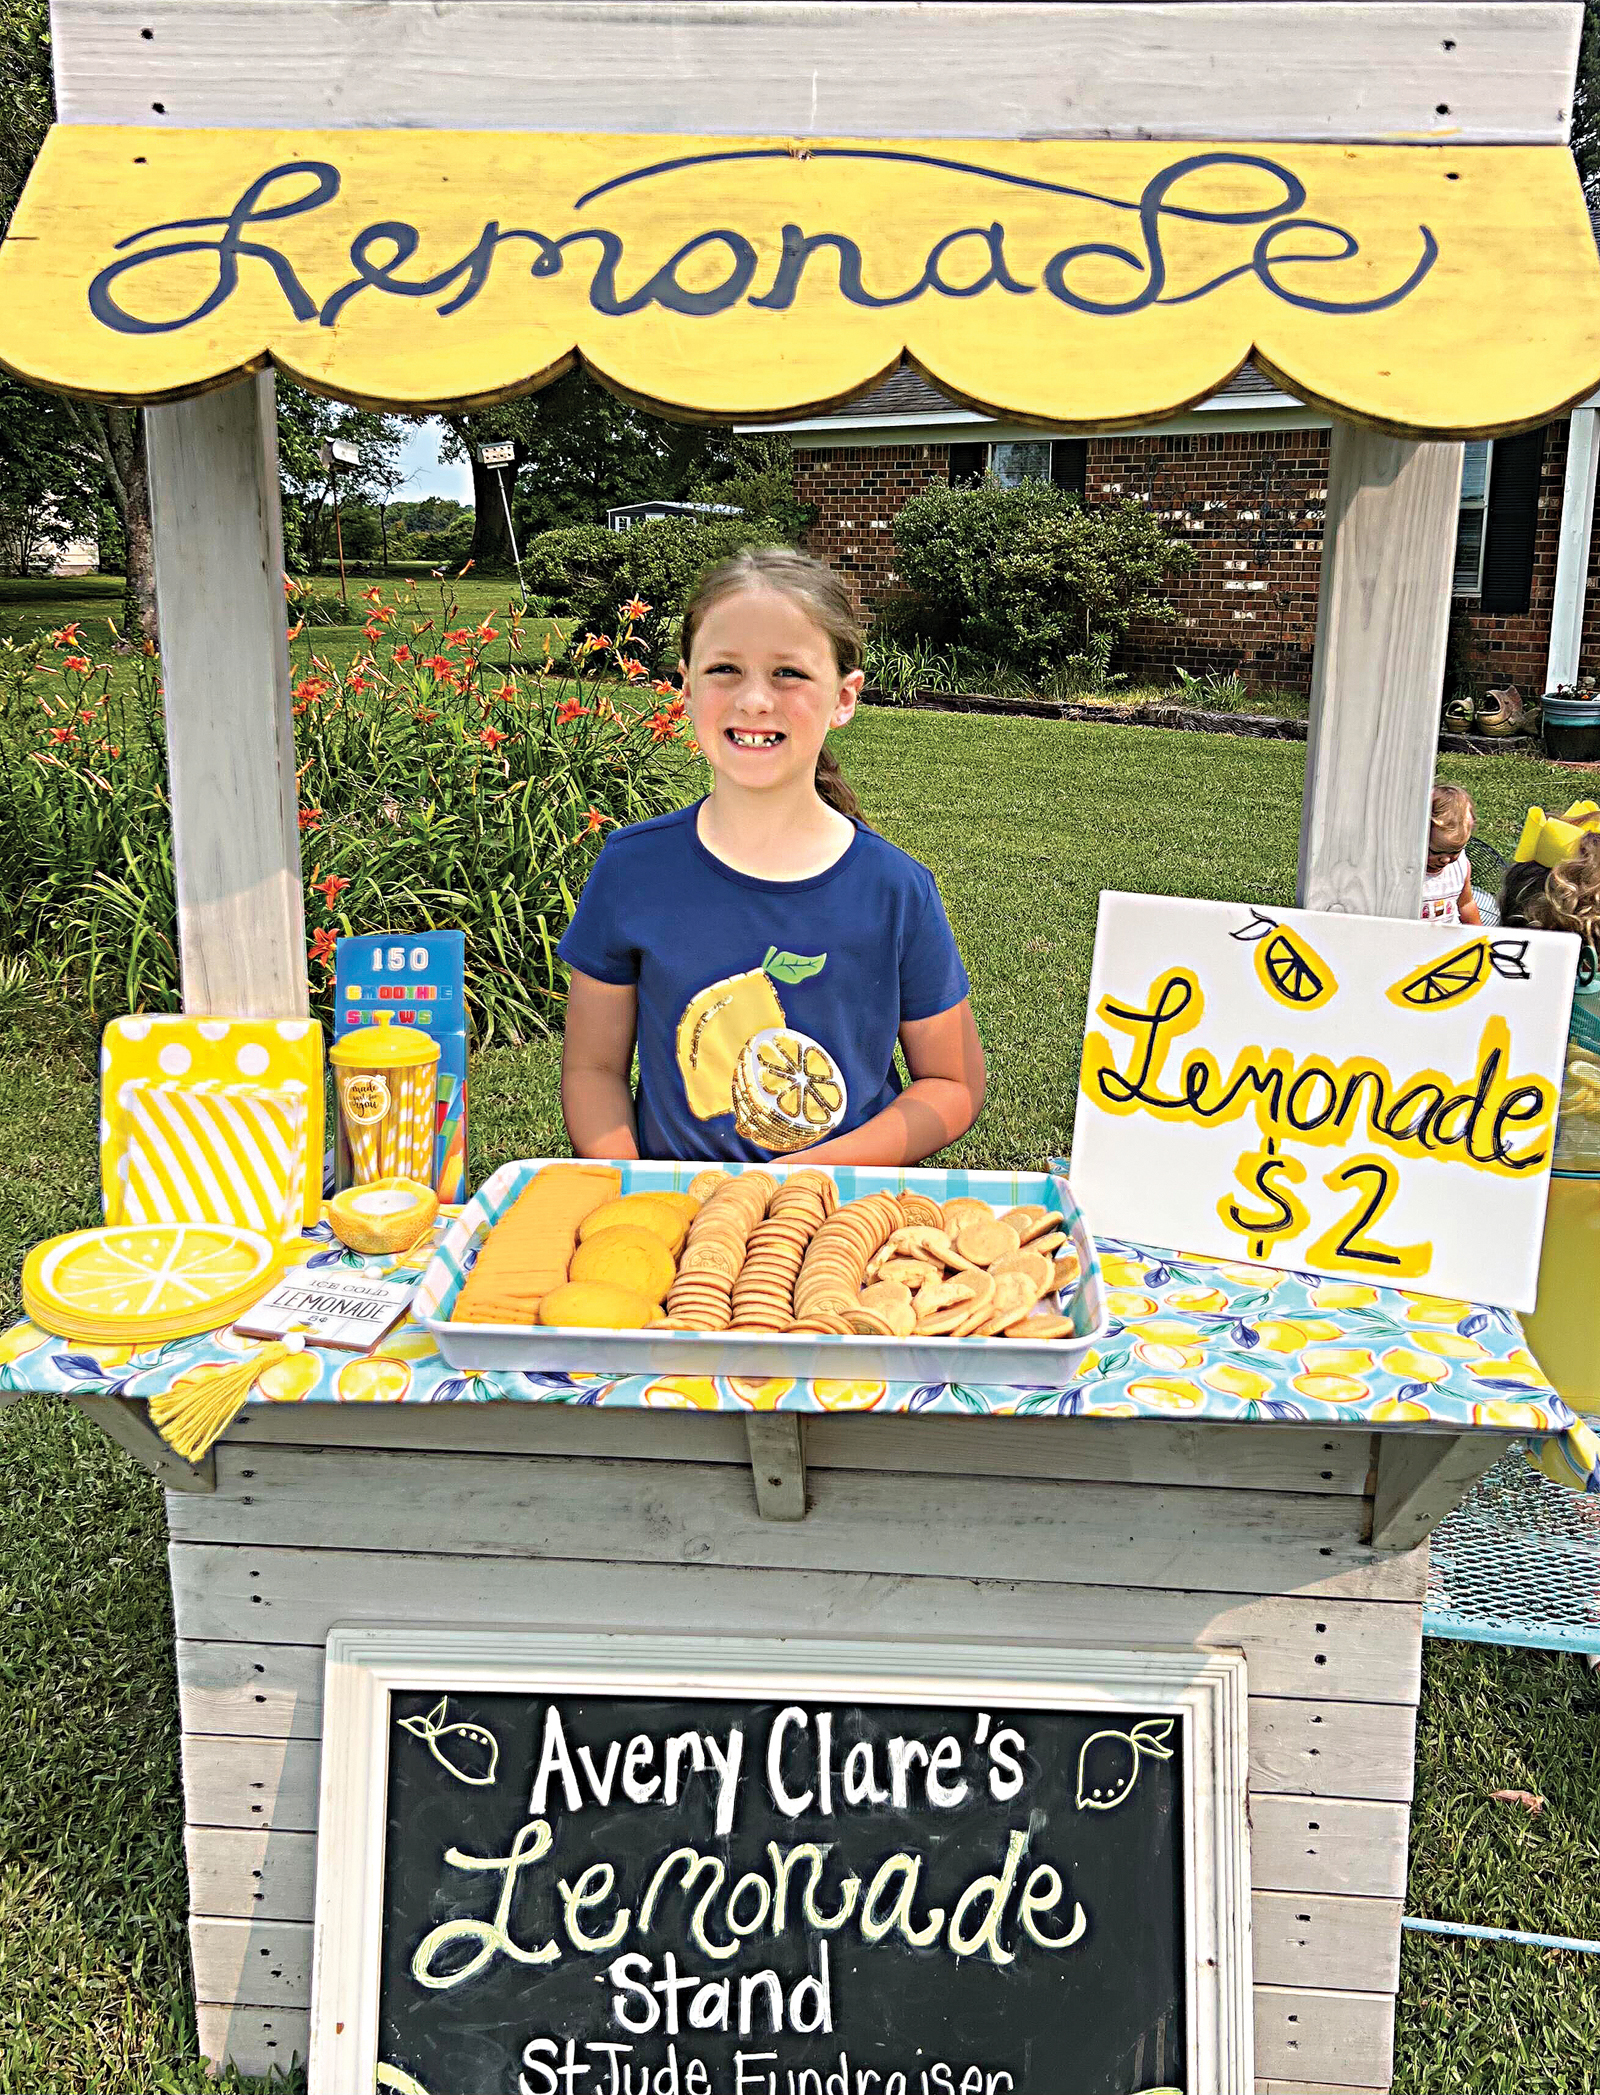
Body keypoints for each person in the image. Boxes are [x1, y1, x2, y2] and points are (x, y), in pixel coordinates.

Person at [557, 547, 986, 1163]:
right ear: (685, 687)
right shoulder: (631, 869)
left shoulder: (895, 890)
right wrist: (632, 1184)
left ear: (844, 697)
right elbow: (593, 1069)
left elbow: (952, 1084)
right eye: (724, 669)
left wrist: (801, 1175)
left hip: (836, 1210)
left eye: (788, 672)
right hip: (677, 1210)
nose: (755, 699)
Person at [1421, 782, 1481, 925]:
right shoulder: (1405, 872)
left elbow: (1466, 904)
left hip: (1449, 936)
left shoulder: (1461, 866)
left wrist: (1479, 933)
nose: (1446, 859)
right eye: (1436, 852)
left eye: (1455, 851)